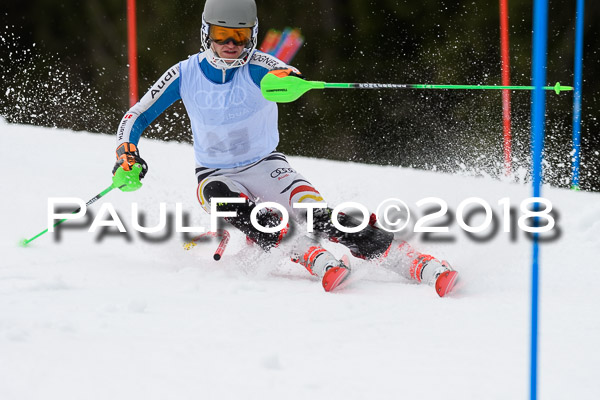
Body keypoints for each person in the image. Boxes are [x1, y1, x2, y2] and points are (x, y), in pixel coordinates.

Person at [111, 0, 458, 296]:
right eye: (221, 35)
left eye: (240, 35)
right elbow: (137, 114)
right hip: (215, 174)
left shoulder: (260, 65)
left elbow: (282, 73)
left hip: (266, 165)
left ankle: (413, 261)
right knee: (221, 195)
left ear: (253, 34)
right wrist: (126, 152)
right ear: (206, 33)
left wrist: (288, 82)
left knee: (316, 215)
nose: (231, 43)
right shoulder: (184, 73)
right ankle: (305, 252)